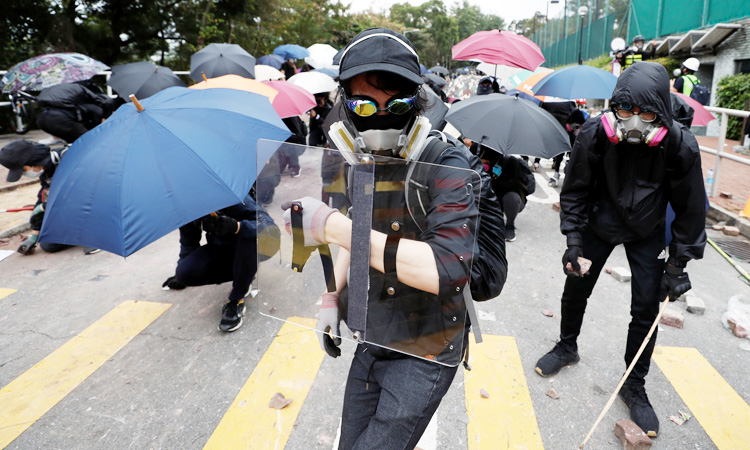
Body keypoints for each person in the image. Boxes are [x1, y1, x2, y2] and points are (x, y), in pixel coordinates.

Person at [281, 28, 500, 449]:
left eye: (396, 104)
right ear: (346, 105)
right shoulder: (359, 159)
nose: (380, 115)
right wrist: (331, 296)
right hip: (375, 328)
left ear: (416, 103)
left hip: (429, 339)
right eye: (364, 104)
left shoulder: (448, 162)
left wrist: (332, 226)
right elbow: (355, 228)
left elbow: (448, 268)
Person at [534, 62, 707, 437]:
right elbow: (576, 189)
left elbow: (691, 209)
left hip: (647, 231)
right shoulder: (596, 133)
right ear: (613, 108)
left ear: (661, 111)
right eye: (624, 110)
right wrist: (574, 241)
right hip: (601, 219)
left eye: (646, 113)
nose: (633, 121)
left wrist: (678, 262)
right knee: (576, 285)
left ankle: (634, 384)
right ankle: (566, 347)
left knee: (646, 305)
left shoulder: (679, 145)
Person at [162, 195, 280, 332]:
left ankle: (237, 299)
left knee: (248, 239)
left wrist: (237, 227)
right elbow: (188, 243)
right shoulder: (188, 207)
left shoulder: (233, 197)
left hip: (256, 246)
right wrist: (182, 272)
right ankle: (245, 273)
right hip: (223, 249)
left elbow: (269, 227)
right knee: (184, 273)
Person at [0, 140, 95, 254]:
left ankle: (99, 236)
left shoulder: (70, 159)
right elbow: (43, 199)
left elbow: (87, 193)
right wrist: (34, 236)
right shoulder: (47, 169)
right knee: (48, 244)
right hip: (78, 209)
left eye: (23, 170)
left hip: (99, 201)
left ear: (33, 162)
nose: (25, 174)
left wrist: (51, 206)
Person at [476, 144, 535, 242]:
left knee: (511, 198)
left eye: (486, 162)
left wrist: (497, 177)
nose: (483, 163)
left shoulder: (511, 161)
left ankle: (510, 226)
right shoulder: (478, 149)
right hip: (491, 198)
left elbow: (514, 186)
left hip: (510, 198)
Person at [35, 82, 117, 144]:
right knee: (87, 140)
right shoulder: (81, 89)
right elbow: (106, 101)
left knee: (72, 142)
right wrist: (107, 115)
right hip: (60, 118)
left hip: (41, 119)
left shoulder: (54, 87)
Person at [549, 109, 586, 187]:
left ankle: (558, 174)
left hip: (570, 142)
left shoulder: (573, 120)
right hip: (567, 141)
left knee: (565, 158)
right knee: (562, 158)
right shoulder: (571, 122)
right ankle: (558, 174)